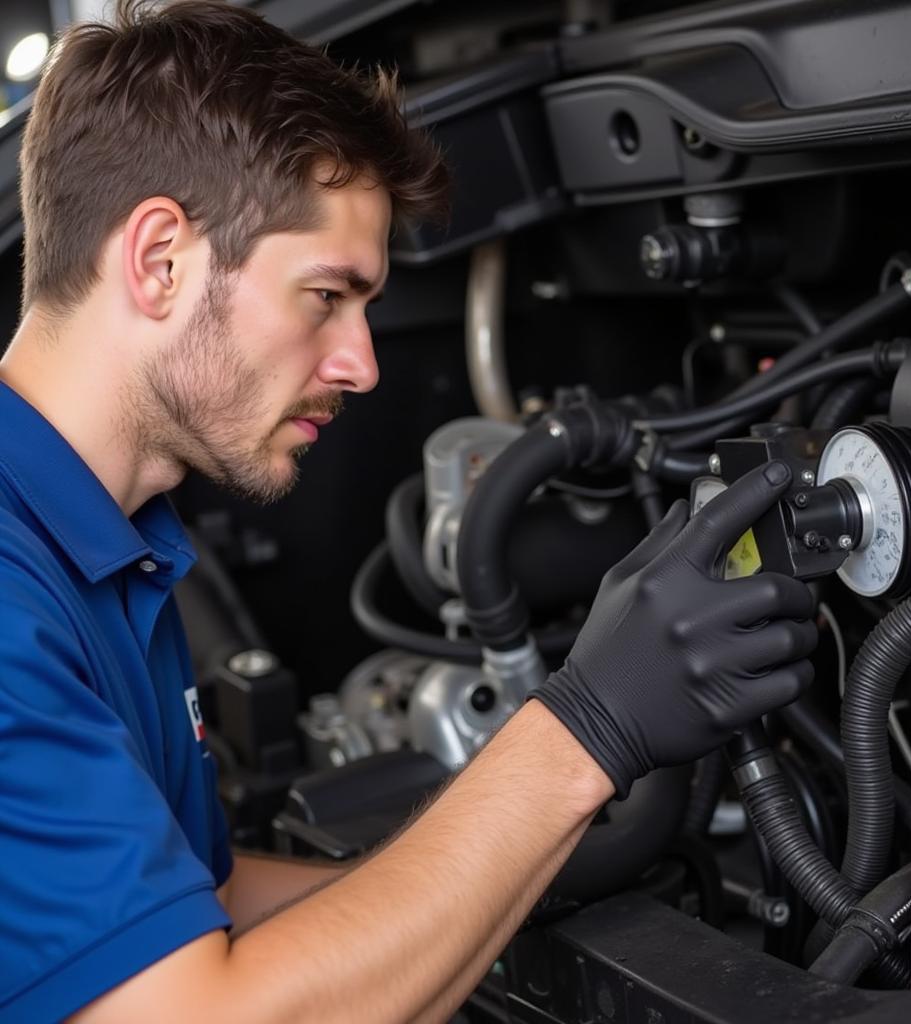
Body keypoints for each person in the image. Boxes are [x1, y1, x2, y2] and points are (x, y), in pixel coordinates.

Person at [0, 2, 817, 1021]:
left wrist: (515, 867)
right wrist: (585, 729)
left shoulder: (107, 545)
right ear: (161, 258)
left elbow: (201, 909)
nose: (362, 364)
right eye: (326, 295)